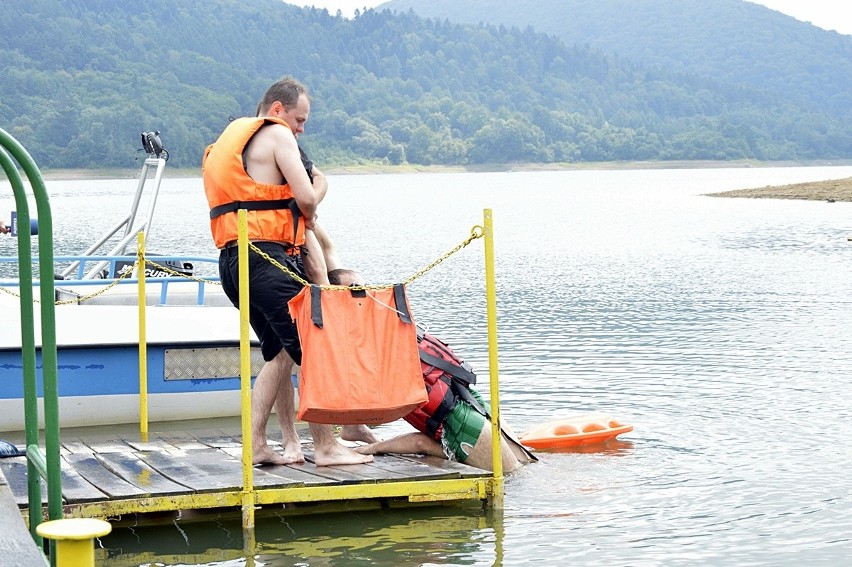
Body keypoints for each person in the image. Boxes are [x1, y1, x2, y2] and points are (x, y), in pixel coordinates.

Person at [202, 76, 372, 467]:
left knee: (279, 353)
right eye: (300, 120)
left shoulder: (226, 144)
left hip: (232, 263)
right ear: (277, 109)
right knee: (313, 347)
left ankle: (258, 444)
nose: (299, 129)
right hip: (267, 260)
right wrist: (321, 183)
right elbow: (307, 201)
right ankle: (326, 447)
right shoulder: (277, 136)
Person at [327, 269, 536, 473]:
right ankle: (353, 428)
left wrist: (371, 448)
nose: (364, 294)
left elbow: (420, 443)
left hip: (464, 419)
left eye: (364, 288)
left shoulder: (373, 337)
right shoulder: (383, 330)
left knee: (514, 475)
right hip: (472, 403)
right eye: (354, 289)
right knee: (523, 468)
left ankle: (353, 428)